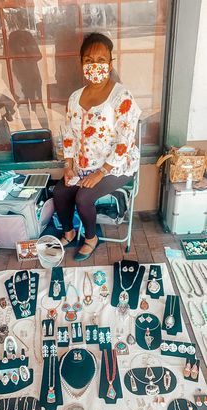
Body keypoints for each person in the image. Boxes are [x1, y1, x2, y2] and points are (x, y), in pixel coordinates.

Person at [53, 32, 141, 261]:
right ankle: (69, 232)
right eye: (89, 61)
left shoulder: (121, 97)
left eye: (101, 60)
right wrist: (68, 165)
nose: (95, 66)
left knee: (83, 197)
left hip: (115, 166)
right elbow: (69, 134)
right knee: (60, 192)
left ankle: (91, 238)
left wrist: (101, 173)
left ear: (110, 63)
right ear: (81, 64)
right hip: (84, 164)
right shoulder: (74, 98)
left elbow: (125, 142)